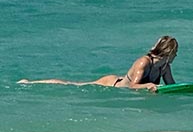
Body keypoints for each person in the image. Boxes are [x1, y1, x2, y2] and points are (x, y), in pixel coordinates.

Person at [18, 35, 179, 92]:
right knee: (73, 85)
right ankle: (30, 82)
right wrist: (149, 86)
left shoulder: (165, 67)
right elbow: (132, 86)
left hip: (120, 85)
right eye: (175, 52)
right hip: (111, 84)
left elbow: (171, 85)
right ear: (167, 53)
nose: (176, 55)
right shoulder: (144, 62)